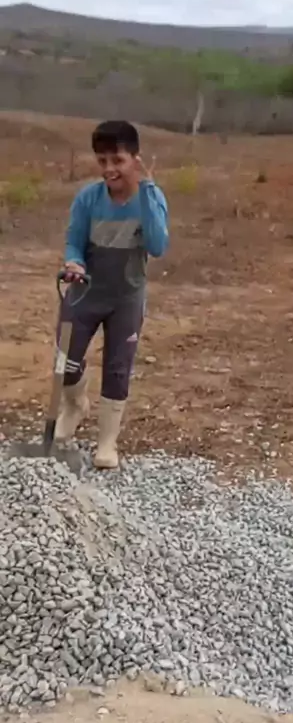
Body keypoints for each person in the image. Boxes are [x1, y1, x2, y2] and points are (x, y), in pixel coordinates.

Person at [55, 119, 169, 468]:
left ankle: (107, 441)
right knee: (65, 359)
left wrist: (147, 191)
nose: (109, 169)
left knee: (118, 367)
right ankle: (74, 406)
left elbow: (158, 245)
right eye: (102, 161)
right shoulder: (88, 198)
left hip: (126, 298)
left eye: (117, 160)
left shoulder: (151, 198)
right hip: (84, 293)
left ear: (135, 159)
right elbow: (74, 242)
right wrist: (74, 262)